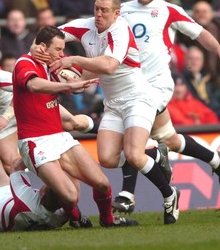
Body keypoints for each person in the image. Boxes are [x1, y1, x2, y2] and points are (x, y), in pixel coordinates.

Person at [35, 0, 180, 225]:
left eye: (104, 10)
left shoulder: (120, 30)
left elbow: (109, 66)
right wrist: (39, 50)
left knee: (133, 154)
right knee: (107, 159)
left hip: (138, 97)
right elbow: (50, 34)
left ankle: (169, 195)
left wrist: (72, 60)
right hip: (113, 104)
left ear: (116, 13)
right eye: (96, 9)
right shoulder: (86, 26)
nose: (99, 14)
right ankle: (154, 154)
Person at [114, 0, 220, 213]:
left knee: (133, 131)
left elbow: (199, 33)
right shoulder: (123, 10)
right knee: (168, 138)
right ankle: (215, 159)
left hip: (157, 85)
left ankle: (127, 193)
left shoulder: (168, 10)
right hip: (131, 83)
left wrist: (219, 50)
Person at [13, 25, 138, 227]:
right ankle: (75, 218)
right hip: (35, 142)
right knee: (70, 196)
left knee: (102, 183)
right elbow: (33, 85)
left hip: (59, 138)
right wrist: (68, 86)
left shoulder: (51, 65)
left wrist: (77, 82)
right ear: (43, 47)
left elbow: (78, 77)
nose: (62, 54)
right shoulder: (24, 62)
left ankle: (107, 221)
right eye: (58, 49)